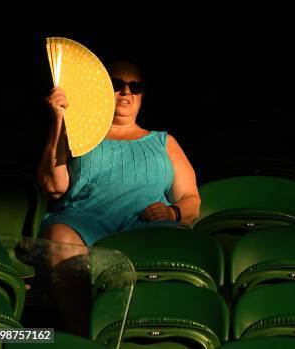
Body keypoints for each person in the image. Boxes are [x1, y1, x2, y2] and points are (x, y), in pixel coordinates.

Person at [36, 60, 200, 335]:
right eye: (116, 85)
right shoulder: (76, 134)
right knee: (58, 238)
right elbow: (53, 186)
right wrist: (59, 121)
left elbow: (191, 199)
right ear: (99, 89)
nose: (126, 92)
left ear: (142, 95)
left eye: (135, 87)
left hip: (144, 229)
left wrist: (172, 212)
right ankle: (86, 337)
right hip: (85, 225)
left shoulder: (163, 141)